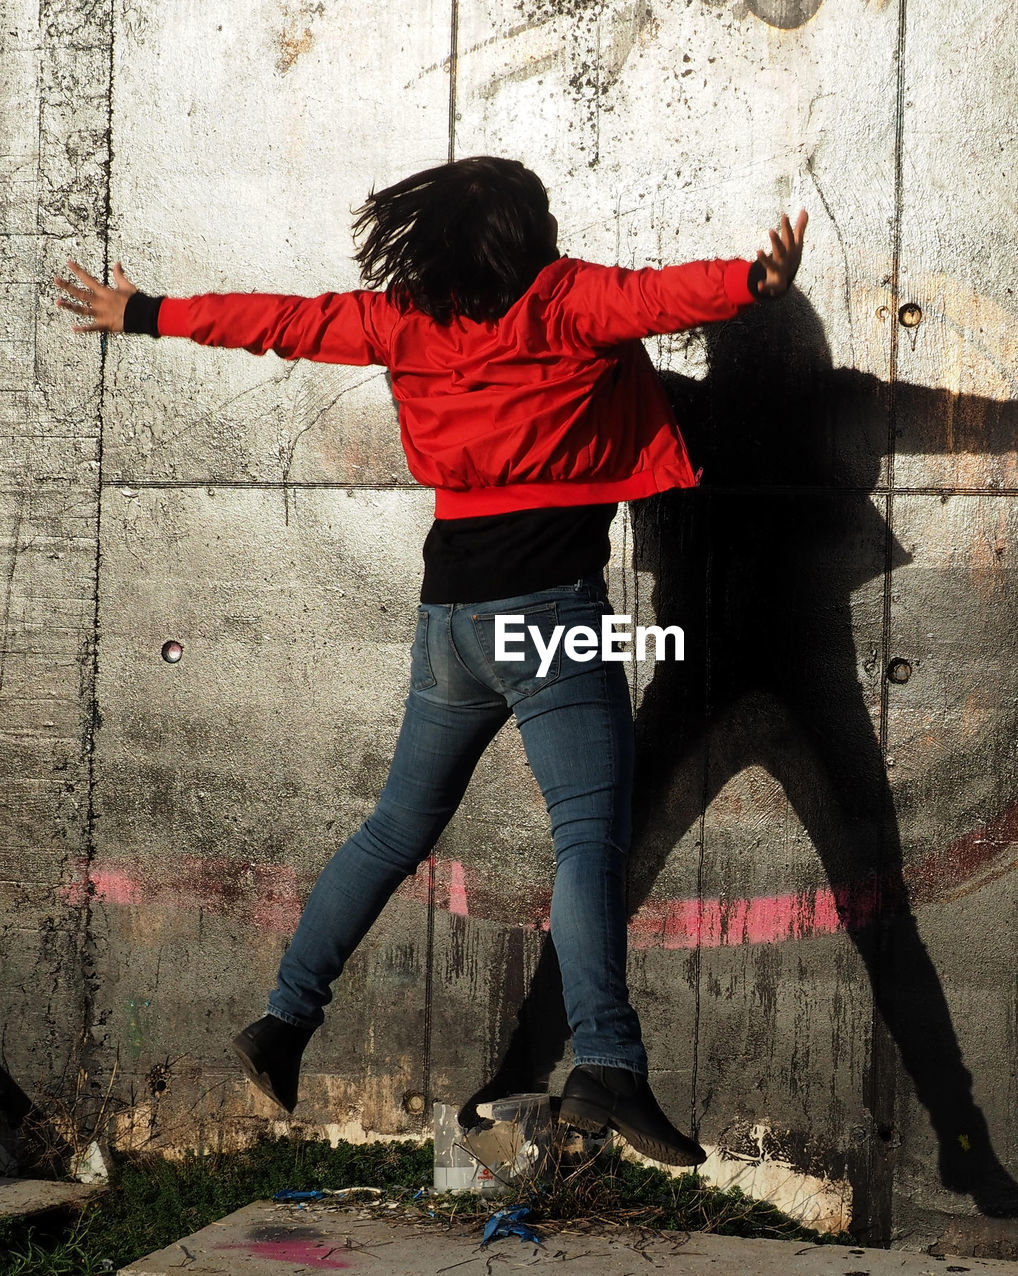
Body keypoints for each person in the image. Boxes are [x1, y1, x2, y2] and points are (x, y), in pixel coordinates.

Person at [56, 156, 807, 1167]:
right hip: (547, 619)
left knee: (393, 827)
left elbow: (286, 319)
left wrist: (144, 311)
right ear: (525, 233)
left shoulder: (403, 318)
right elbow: (665, 293)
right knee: (586, 842)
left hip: (449, 617)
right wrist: (755, 284)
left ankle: (284, 1020)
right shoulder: (568, 300)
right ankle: (609, 1068)